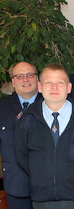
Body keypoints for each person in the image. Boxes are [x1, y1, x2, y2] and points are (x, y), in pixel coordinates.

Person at [15, 63, 74, 209]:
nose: (54, 87)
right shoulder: (26, 119)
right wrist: (42, 178)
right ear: (40, 87)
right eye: (48, 82)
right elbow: (22, 156)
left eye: (60, 82)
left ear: (69, 87)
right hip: (43, 199)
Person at [0, 62, 40, 209]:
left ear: (37, 79)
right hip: (16, 185)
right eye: (20, 76)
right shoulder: (1, 107)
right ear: (13, 82)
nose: (25, 80)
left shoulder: (51, 103)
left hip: (49, 186)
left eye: (30, 75)